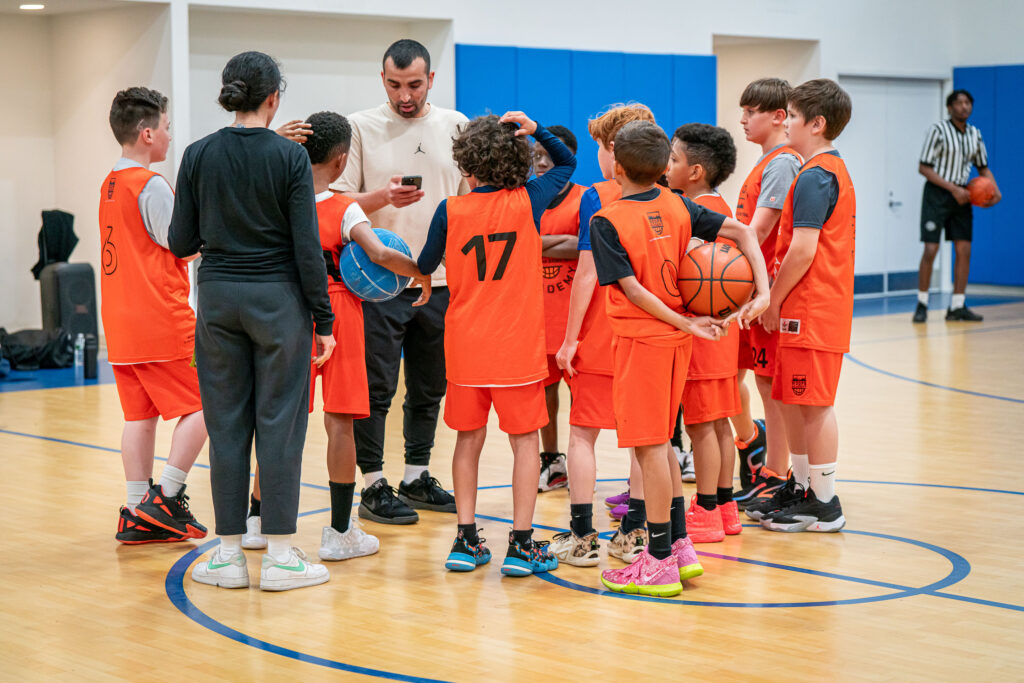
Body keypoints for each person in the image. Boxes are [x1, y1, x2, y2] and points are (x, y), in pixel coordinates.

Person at [170, 51, 335, 591]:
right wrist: (325, 320)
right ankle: (282, 556)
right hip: (278, 303)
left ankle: (227, 556)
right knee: (281, 427)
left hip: (217, 301)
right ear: (274, 99)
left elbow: (179, 242)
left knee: (227, 425)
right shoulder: (289, 159)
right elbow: (307, 249)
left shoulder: (196, 154)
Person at [241, 111, 433, 560]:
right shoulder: (342, 206)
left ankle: (254, 523)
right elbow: (382, 252)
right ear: (343, 158)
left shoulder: (276, 197)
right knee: (340, 423)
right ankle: (341, 532)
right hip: (339, 311)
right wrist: (421, 274)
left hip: (286, 309)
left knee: (279, 424)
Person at [591, 121, 770, 596]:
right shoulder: (678, 206)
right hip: (676, 345)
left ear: (616, 162)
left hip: (644, 342)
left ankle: (657, 561)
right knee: (664, 445)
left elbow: (630, 289)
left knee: (648, 447)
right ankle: (680, 546)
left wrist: (683, 320)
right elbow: (743, 233)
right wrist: (762, 290)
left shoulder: (607, 220)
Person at [417, 112, 575, 576]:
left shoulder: (449, 210)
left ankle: (465, 540)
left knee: (468, 440)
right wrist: (536, 129)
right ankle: (523, 544)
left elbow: (425, 263)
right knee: (525, 443)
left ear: (466, 165)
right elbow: (566, 164)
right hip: (516, 349)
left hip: (465, 346)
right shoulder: (529, 199)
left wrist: (411, 272)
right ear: (520, 163)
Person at [333, 39, 467, 524]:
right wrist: (380, 196)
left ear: (431, 79)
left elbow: (470, 201)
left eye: (413, 84)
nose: (404, 94)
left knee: (430, 386)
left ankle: (415, 474)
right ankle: (372, 483)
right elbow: (338, 204)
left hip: (443, 280)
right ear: (382, 78)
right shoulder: (360, 126)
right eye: (394, 84)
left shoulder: (456, 125)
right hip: (378, 283)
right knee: (376, 387)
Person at [101, 87, 208, 545]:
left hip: (121, 324)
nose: (170, 136)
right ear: (147, 133)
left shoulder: (109, 183)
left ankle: (134, 508)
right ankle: (166, 494)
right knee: (211, 402)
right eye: (167, 127)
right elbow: (181, 242)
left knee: (139, 417)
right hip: (160, 318)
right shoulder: (151, 184)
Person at [552, 104, 655, 567]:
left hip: (602, 330)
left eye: (598, 146)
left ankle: (583, 537)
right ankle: (635, 532)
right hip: (650, 332)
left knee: (582, 436)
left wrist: (569, 338)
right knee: (645, 438)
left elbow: (588, 273)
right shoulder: (668, 197)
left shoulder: (597, 196)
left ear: (613, 150)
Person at [758, 78, 855, 532]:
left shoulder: (817, 175)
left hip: (813, 307)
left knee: (814, 404)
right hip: (806, 305)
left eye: (793, 116)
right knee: (792, 399)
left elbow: (803, 249)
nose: (787, 123)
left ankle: (826, 499)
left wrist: (772, 300)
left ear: (816, 124)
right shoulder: (817, 170)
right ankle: (801, 485)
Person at [665, 123, 744, 543]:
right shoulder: (721, 207)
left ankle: (708, 510)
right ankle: (727, 507)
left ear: (694, 171)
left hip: (702, 332)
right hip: (723, 333)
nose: (667, 165)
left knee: (700, 428)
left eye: (674, 159)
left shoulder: (696, 217)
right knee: (717, 426)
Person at [732, 78, 802, 512]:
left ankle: (779, 472)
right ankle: (773, 468)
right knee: (763, 380)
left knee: (775, 384)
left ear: (778, 116)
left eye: (751, 111)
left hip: (772, 291)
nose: (742, 119)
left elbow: (757, 232)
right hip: (759, 291)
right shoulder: (765, 163)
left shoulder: (782, 163)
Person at [914, 88, 1001, 323]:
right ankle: (922, 303)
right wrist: (952, 189)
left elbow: (982, 167)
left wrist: (995, 190)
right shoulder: (938, 131)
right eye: (959, 103)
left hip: (964, 195)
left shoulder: (975, 134)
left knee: (964, 250)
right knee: (931, 249)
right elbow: (924, 167)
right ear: (949, 107)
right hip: (938, 194)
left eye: (968, 103)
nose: (964, 106)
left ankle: (957, 305)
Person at [534, 125, 585, 493]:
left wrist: (535, 243)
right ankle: (552, 462)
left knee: (581, 396)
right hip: (536, 317)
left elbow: (582, 247)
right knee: (544, 394)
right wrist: (558, 243)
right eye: (535, 156)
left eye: (548, 157)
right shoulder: (527, 197)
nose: (539, 162)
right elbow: (565, 243)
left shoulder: (586, 198)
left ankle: (583, 463)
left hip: (576, 319)